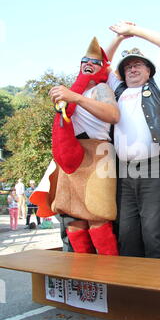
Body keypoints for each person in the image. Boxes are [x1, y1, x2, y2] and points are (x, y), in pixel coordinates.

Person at [30, 37, 119, 255]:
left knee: (98, 217)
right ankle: (83, 277)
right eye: (84, 61)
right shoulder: (71, 91)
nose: (88, 65)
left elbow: (113, 115)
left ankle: (110, 275)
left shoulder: (101, 90)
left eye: (94, 63)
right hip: (71, 155)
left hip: (97, 152)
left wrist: (76, 99)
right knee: (73, 220)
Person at [105, 21, 160, 258]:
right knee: (127, 232)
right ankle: (133, 289)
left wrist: (133, 31)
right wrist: (119, 39)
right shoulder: (117, 91)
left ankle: (159, 288)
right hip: (123, 171)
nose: (132, 69)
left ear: (149, 70)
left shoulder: (159, 86)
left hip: (155, 168)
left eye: (138, 65)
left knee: (155, 232)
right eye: (128, 67)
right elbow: (101, 61)